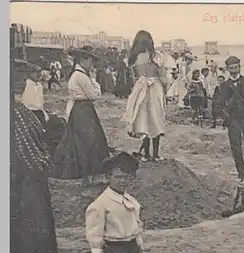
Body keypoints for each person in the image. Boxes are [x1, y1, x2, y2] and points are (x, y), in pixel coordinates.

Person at [10, 58, 58, 253]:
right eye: (14, 74)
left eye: (22, 74)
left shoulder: (20, 109)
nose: (19, 79)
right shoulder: (13, 112)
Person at [85, 152, 144, 253]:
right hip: (114, 249)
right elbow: (94, 231)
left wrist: (139, 248)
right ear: (108, 177)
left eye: (127, 177)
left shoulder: (131, 201)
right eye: (118, 177)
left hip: (129, 247)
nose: (123, 181)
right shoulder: (101, 204)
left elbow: (136, 226)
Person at [52, 45, 110, 187]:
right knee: (90, 141)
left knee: (82, 142)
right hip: (84, 110)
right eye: (90, 60)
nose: (92, 64)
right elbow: (93, 95)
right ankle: (90, 176)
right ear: (83, 59)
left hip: (81, 110)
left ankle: (87, 177)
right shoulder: (80, 76)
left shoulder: (77, 75)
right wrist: (95, 81)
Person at [213, 55, 244, 181]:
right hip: (233, 120)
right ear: (227, 69)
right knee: (236, 148)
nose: (234, 70)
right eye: (231, 68)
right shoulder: (224, 86)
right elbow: (218, 107)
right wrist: (228, 120)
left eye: (236, 67)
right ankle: (242, 175)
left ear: (240, 67)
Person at [122, 30, 170, 163]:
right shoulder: (156, 57)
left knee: (143, 121)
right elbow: (162, 77)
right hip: (154, 89)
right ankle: (156, 154)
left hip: (140, 90)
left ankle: (146, 154)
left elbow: (133, 79)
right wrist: (165, 89)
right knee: (155, 120)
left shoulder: (133, 58)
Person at [19, 62, 48, 126]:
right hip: (28, 113)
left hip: (39, 113)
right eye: (36, 72)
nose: (39, 75)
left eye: (40, 72)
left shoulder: (40, 86)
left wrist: (44, 112)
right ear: (30, 73)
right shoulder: (25, 84)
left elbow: (40, 102)